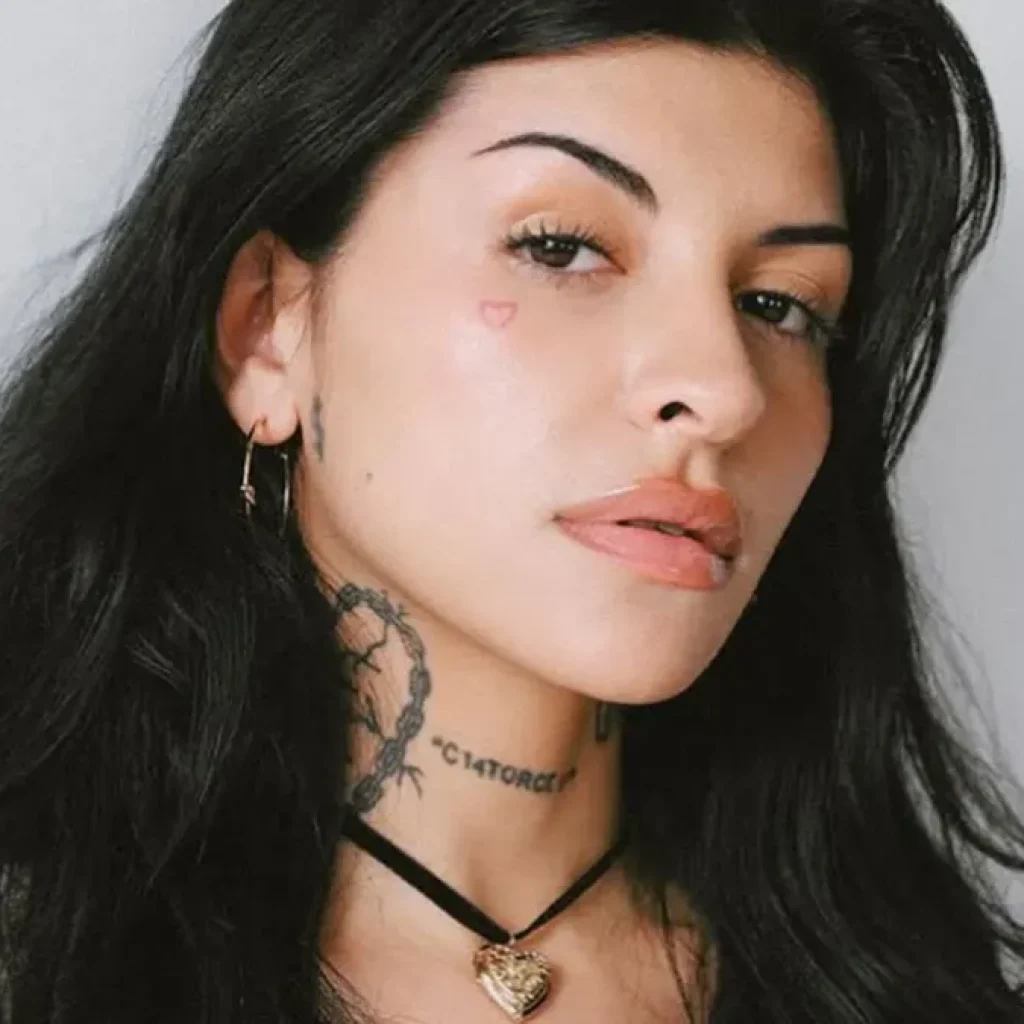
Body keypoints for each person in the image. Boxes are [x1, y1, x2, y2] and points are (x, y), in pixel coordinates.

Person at [1, 0, 1023, 1021]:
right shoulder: (42, 960)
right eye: (563, 247)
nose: (725, 388)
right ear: (268, 327)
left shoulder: (907, 986)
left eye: (780, 304)